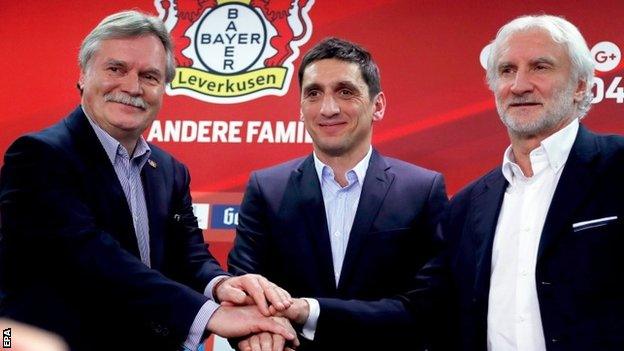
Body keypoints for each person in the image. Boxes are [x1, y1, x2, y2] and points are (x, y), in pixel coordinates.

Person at [0, 10, 298, 351]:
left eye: (150, 76)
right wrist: (212, 316)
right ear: (83, 75)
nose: (132, 87)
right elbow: (93, 259)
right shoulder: (38, 156)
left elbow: (189, 256)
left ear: (163, 88)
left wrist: (222, 287)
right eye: (116, 69)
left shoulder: (169, 169)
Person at [402, 14, 624, 351]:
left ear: (581, 85)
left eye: (540, 67)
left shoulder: (619, 166)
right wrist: (307, 310)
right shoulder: (467, 205)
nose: (519, 85)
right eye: (507, 70)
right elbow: (420, 309)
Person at [228, 37, 448, 350]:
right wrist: (257, 331)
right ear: (301, 108)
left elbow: (428, 307)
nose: (328, 108)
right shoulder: (266, 189)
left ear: (378, 105)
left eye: (345, 91)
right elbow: (245, 294)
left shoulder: (423, 190)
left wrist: (309, 311)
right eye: (314, 94)